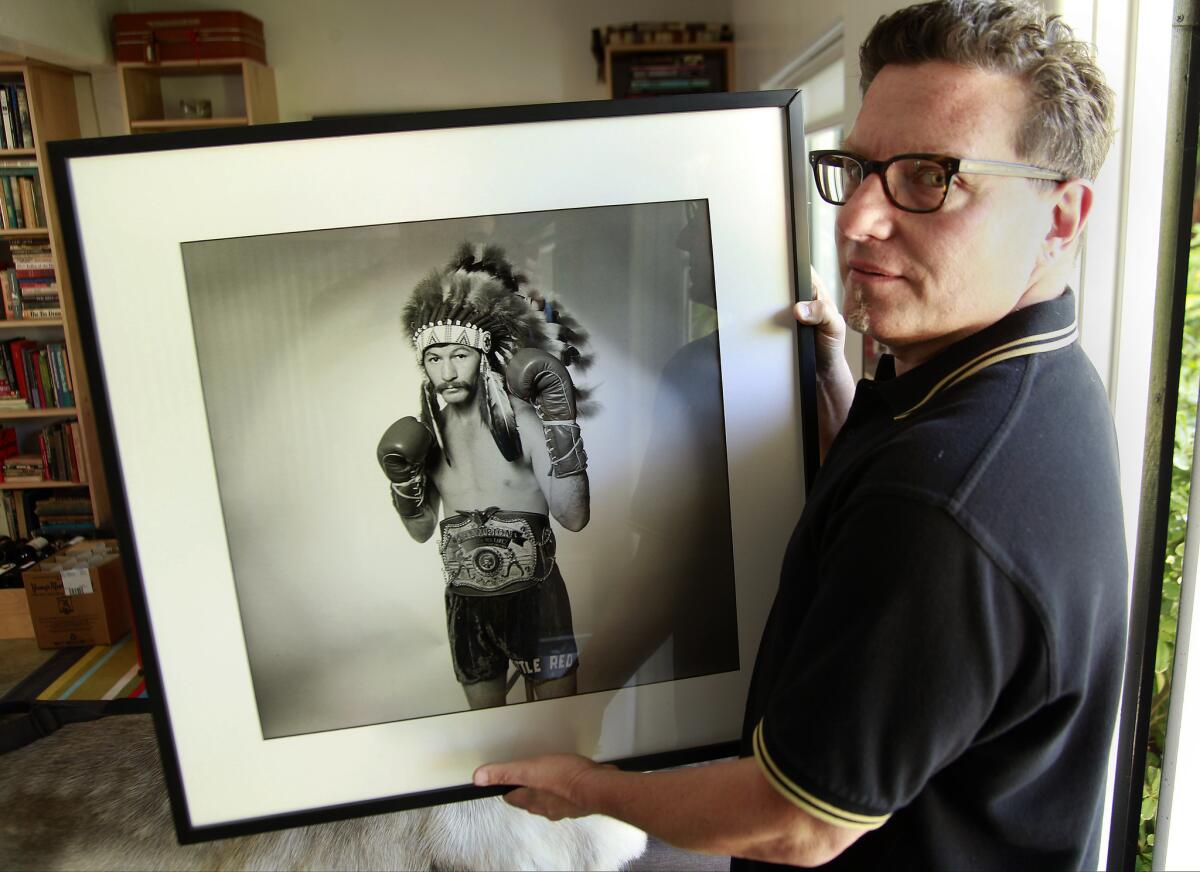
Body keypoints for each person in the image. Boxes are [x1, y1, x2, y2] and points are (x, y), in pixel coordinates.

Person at [472, 1, 1129, 868]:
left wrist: (584, 789)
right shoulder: (1021, 375)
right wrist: (835, 391)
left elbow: (797, 823)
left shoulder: (943, 504)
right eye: (858, 167)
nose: (857, 218)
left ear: (1061, 217)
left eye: (931, 178)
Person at [378, 243, 592, 709]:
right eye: (435, 359)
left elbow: (574, 518)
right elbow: (420, 532)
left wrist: (561, 422)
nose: (447, 371)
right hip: (466, 607)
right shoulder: (425, 439)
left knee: (559, 730)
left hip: (538, 603)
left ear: (483, 354)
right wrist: (403, 483)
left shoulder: (527, 423)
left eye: (459, 355)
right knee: (489, 737)